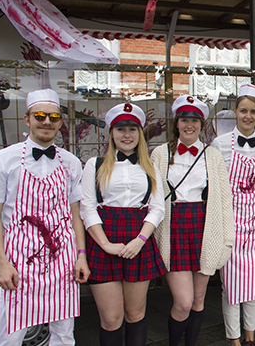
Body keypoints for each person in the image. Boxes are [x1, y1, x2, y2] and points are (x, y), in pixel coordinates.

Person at [0, 89, 90, 345]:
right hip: (18, 263)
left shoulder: (71, 162)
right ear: (27, 119)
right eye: (40, 116)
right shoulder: (2, 160)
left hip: (62, 263)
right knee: (10, 335)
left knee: (64, 335)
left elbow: (76, 214)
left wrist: (81, 256)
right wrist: (2, 262)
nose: (47, 122)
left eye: (53, 117)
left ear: (60, 122)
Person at [80, 103, 167, 346]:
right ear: (111, 134)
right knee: (111, 319)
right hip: (103, 239)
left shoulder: (150, 168)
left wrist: (140, 240)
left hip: (138, 240)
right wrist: (106, 244)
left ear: (140, 134)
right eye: (120, 129)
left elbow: (157, 207)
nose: (126, 135)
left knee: (135, 315)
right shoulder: (94, 165)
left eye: (132, 129)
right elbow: (87, 207)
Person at [151, 96, 235, 346]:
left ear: (202, 124)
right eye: (185, 120)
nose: (190, 125)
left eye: (195, 120)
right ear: (177, 123)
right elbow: (153, 194)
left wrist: (227, 238)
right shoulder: (160, 153)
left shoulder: (213, 155)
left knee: (198, 300)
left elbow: (224, 199)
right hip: (173, 226)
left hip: (203, 226)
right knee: (184, 302)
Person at [211, 84, 255, 346]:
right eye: (243, 111)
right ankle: (234, 338)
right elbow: (215, 187)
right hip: (231, 221)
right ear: (235, 112)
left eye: (253, 112)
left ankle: (251, 336)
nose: (248, 116)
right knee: (232, 285)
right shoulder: (219, 144)